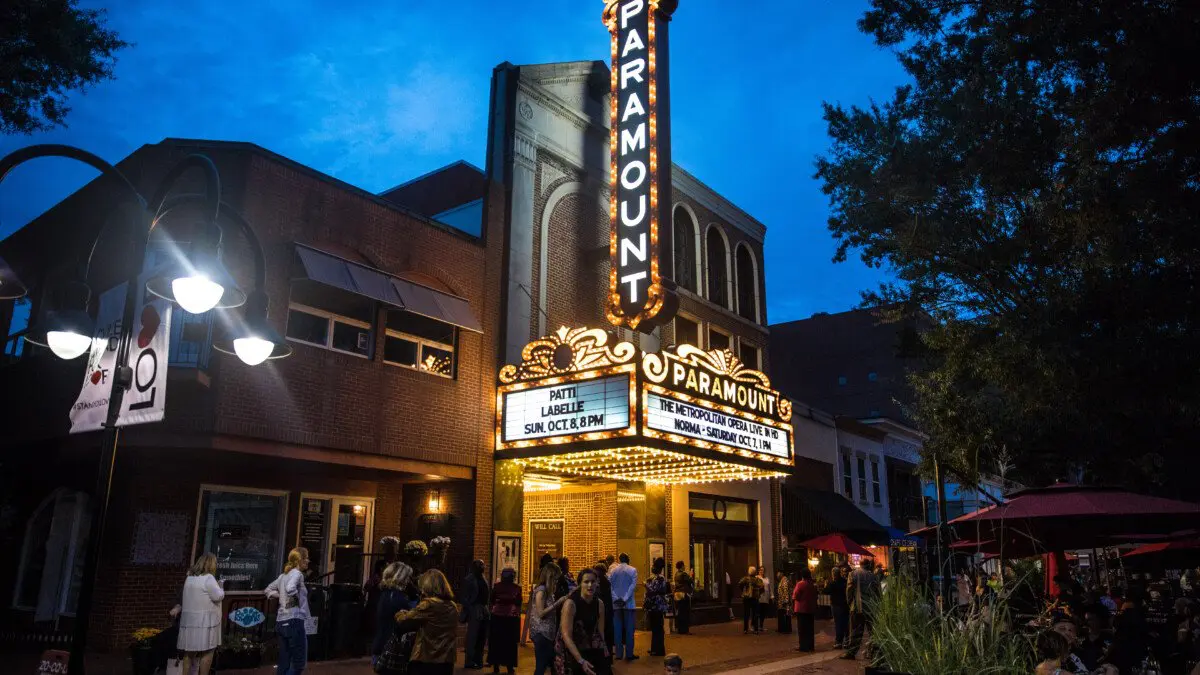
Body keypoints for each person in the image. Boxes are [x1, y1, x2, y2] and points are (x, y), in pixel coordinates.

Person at [394, 569, 460, 675]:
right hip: (446, 660)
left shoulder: (428, 604)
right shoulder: (453, 606)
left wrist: (400, 613)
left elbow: (404, 620)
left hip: (426, 658)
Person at [556, 568, 611, 675]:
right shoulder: (571, 604)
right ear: (580, 584)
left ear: (597, 583)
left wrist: (604, 651)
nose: (590, 585)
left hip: (588, 644)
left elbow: (600, 631)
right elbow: (566, 635)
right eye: (586, 582)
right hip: (569, 647)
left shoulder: (599, 604)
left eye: (593, 581)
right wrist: (580, 660)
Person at [265, 547, 311, 675]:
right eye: (306, 558)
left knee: (284, 663)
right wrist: (294, 599)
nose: (308, 561)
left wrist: (281, 596)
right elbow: (291, 588)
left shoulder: (283, 576)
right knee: (299, 664)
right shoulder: (297, 574)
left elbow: (268, 590)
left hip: (281, 622)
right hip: (294, 621)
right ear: (300, 560)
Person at [177, 553, 224, 675]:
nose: (216, 565)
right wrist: (221, 586)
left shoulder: (190, 578)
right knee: (207, 652)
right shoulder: (208, 578)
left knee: (189, 653)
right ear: (210, 564)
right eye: (214, 562)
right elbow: (218, 596)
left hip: (189, 622)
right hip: (205, 622)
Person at [373, 562, 416, 668]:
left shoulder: (386, 592)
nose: (409, 580)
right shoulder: (396, 597)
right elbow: (409, 620)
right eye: (407, 577)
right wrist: (415, 599)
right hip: (392, 648)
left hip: (382, 643)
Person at [530, 564, 568, 675]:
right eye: (555, 579)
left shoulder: (548, 591)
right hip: (541, 633)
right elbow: (541, 613)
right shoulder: (541, 591)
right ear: (550, 577)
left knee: (550, 664)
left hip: (548, 633)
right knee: (541, 666)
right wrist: (558, 603)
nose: (556, 582)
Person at [841, 558, 880, 660]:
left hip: (857, 607)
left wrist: (850, 604)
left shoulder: (853, 574)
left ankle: (851, 652)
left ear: (860, 564)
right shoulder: (873, 576)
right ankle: (873, 653)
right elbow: (878, 592)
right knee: (873, 632)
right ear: (868, 565)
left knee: (855, 631)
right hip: (871, 608)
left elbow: (849, 591)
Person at [487, 567, 522, 674]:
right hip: (510, 618)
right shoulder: (516, 588)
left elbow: (491, 600)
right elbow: (518, 602)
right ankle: (509, 666)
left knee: (496, 642)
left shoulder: (497, 587)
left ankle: (496, 666)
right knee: (509, 643)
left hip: (497, 617)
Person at [608, 552, 639, 661]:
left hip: (616, 605)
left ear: (619, 559)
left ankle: (618, 654)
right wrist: (625, 599)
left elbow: (610, 586)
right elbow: (632, 587)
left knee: (617, 629)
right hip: (628, 604)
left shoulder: (613, 571)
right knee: (629, 630)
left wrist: (616, 598)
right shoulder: (633, 570)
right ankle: (629, 654)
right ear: (628, 559)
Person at [461, 559, 491, 669]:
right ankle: (469, 661)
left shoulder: (483, 578)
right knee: (473, 637)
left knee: (482, 637)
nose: (483, 566)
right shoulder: (469, 579)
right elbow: (464, 597)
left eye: (483, 564)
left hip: (484, 609)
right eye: (480, 565)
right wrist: (471, 608)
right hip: (475, 609)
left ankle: (479, 660)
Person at [644, 558, 671, 657]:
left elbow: (653, 590)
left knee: (657, 628)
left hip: (657, 606)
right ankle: (655, 648)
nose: (652, 567)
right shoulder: (656, 577)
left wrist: (646, 584)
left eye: (654, 566)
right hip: (655, 606)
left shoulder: (660, 578)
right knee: (655, 628)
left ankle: (658, 650)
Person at [593, 563, 615, 663]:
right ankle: (608, 658)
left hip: (602, 613)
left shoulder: (600, 582)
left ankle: (604, 658)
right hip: (608, 613)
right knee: (607, 637)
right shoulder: (607, 581)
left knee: (602, 636)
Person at [792, 568, 817, 652]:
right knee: (810, 628)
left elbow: (796, 596)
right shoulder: (812, 584)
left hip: (801, 609)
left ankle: (803, 646)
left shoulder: (800, 584)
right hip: (810, 609)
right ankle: (810, 645)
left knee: (802, 629)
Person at [825, 567, 849, 648]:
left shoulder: (832, 583)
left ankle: (839, 642)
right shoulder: (845, 582)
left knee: (838, 623)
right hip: (845, 605)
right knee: (845, 623)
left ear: (833, 574)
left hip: (836, 605)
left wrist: (827, 583)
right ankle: (847, 641)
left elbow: (826, 591)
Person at [738, 566, 764, 634]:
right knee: (755, 614)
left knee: (746, 614)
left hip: (746, 598)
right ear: (755, 572)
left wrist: (743, 591)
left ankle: (745, 629)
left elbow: (740, 584)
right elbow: (762, 587)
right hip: (755, 598)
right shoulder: (758, 580)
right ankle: (755, 629)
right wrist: (759, 593)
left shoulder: (745, 579)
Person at [673, 561, 693, 635]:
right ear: (681, 566)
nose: (684, 566)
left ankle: (680, 629)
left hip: (677, 594)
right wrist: (691, 574)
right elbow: (690, 581)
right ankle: (685, 629)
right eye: (683, 565)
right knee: (685, 612)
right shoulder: (683, 574)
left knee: (680, 612)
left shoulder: (676, 574)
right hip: (683, 594)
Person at [756, 566, 772, 633]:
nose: (762, 571)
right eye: (760, 570)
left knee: (763, 613)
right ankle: (755, 626)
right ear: (758, 571)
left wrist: (772, 595)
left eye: (763, 570)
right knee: (758, 612)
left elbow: (769, 587)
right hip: (759, 597)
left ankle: (761, 626)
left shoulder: (767, 578)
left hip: (766, 597)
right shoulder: (756, 578)